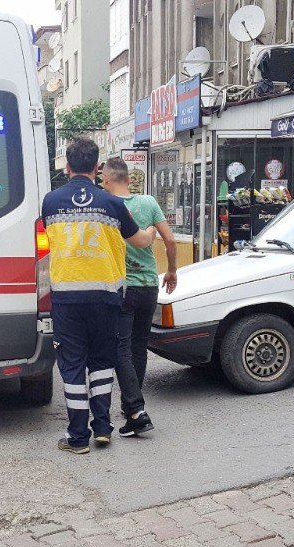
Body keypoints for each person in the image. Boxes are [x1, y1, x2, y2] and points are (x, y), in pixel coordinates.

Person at [43, 138, 154, 455]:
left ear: (67, 167)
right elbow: (141, 241)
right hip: (106, 298)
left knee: (73, 365)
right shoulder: (113, 204)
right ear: (97, 168)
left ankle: (78, 437)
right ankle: (102, 429)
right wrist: (153, 232)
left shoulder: (50, 202)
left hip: (67, 299)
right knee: (103, 362)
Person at [101, 157, 178, 437]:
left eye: (103, 180)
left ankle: (135, 409)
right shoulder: (148, 203)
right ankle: (131, 403)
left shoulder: (108, 206)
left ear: (108, 180)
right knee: (138, 346)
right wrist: (171, 271)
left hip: (123, 287)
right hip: (148, 285)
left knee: (120, 348)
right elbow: (169, 240)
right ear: (128, 179)